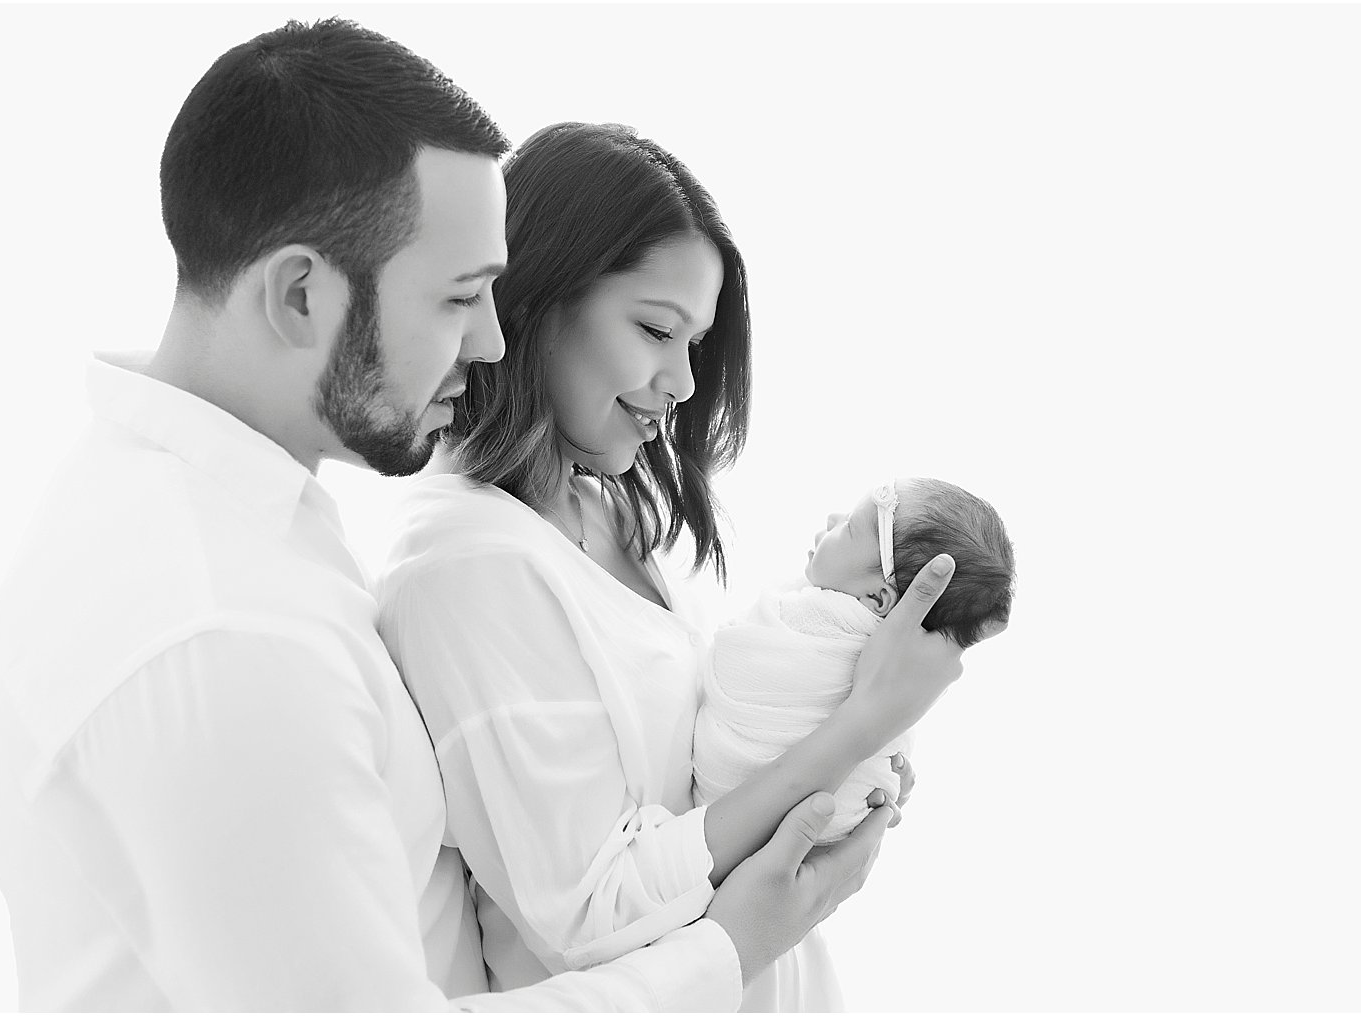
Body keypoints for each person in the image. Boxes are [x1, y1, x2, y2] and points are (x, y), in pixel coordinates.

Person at [0, 20, 926, 1011]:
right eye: (462, 296)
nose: (489, 337)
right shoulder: (225, 633)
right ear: (301, 294)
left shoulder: (230, 525)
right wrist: (735, 941)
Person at [375, 123, 968, 1012]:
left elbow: (703, 780)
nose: (686, 382)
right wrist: (856, 730)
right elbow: (592, 909)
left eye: (696, 341)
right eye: (656, 329)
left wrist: (850, 765)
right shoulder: (466, 568)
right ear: (534, 300)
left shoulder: (616, 510)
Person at [695, 476, 1016, 843]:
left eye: (848, 528)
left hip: (727, 806)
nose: (833, 518)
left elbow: (740, 649)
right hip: (824, 824)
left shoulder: (812, 620)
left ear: (877, 599)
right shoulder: (910, 673)